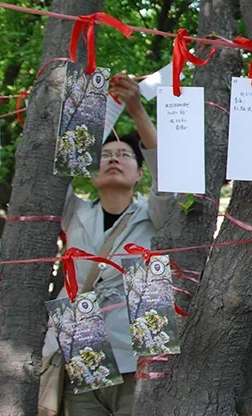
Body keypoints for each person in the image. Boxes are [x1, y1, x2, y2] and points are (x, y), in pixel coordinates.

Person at [42, 73, 175, 416]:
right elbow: (56, 169)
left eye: (124, 155)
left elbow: (169, 177)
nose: (114, 159)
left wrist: (135, 110)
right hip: (81, 347)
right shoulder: (74, 212)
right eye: (105, 155)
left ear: (139, 173)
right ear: (90, 169)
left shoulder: (154, 216)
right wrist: (100, 110)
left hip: (138, 353)